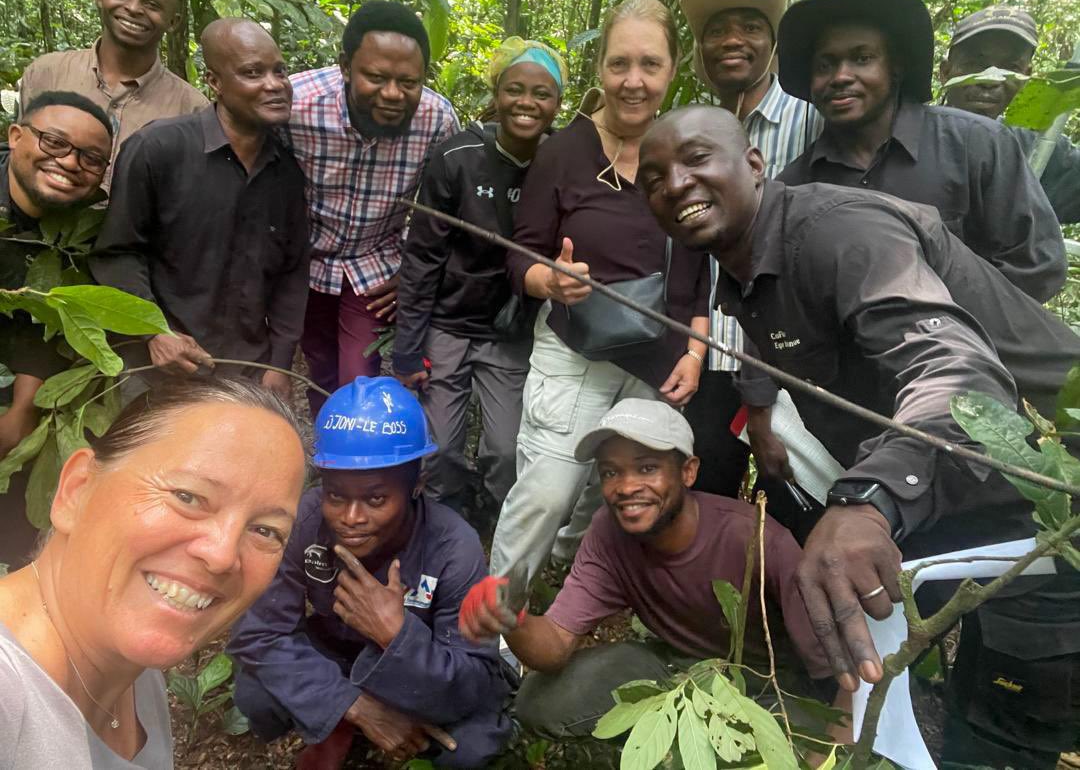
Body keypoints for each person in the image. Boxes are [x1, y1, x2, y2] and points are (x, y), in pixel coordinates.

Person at [638, 105, 1080, 768]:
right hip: (966, 500)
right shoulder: (746, 269)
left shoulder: (839, 232)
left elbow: (959, 377)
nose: (674, 184)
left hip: (1052, 491)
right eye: (653, 179)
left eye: (696, 159)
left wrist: (867, 501)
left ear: (754, 164)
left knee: (1007, 733)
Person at [488, 0, 711, 586]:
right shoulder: (564, 152)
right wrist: (550, 280)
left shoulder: (684, 150)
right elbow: (520, 254)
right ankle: (495, 619)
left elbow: (699, 266)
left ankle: (570, 572)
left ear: (673, 69)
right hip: (575, 349)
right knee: (547, 493)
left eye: (650, 64)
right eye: (619, 64)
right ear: (600, 68)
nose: (633, 81)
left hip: (657, 358)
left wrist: (695, 352)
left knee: (612, 489)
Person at [460, 398, 837, 741]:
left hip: (770, 684)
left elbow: (835, 668)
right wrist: (512, 619)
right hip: (680, 667)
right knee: (540, 700)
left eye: (647, 468)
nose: (626, 487)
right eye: (610, 472)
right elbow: (556, 642)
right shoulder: (608, 533)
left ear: (688, 472)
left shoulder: (756, 539)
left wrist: (834, 744)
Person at [0, 377, 307, 768]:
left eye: (265, 531)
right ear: (76, 490)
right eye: (188, 497)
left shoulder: (129, 670)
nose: (222, 555)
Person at [228, 377, 514, 769]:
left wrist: (396, 635)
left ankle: (359, 718)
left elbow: (473, 677)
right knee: (255, 695)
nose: (351, 518)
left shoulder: (453, 547)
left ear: (417, 486)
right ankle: (343, 723)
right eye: (335, 495)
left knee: (470, 748)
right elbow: (258, 633)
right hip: (338, 653)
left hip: (423, 664)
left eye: (376, 498)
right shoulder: (303, 522)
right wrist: (353, 705)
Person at [776, 0, 1064, 303]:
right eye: (825, 65)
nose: (841, 76)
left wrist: (940, 321)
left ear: (895, 68)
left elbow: (1036, 267)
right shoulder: (796, 186)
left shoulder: (976, 145)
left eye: (862, 59)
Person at [393, 38, 566, 527]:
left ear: (557, 103)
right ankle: (444, 520)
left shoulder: (560, 162)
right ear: (497, 93)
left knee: (506, 452)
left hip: (509, 330)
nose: (526, 103)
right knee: (440, 449)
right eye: (515, 89)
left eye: (542, 93)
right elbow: (423, 256)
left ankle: (494, 516)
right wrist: (408, 350)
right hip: (448, 322)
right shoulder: (457, 157)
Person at [90, 19, 310, 400]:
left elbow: (291, 273)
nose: (275, 84)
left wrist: (279, 363)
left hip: (245, 374)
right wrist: (153, 332)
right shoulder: (158, 149)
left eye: (280, 71)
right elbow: (117, 252)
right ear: (214, 82)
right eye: (253, 73)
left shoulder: (286, 172)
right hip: (157, 369)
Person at [678, 0, 823, 533]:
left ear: (773, 44)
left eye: (751, 27)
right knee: (704, 495)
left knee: (797, 501)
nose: (733, 40)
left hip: (792, 350)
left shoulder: (812, 119)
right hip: (714, 347)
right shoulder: (692, 129)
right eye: (717, 30)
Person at [286, 1, 459, 415]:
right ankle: (330, 449)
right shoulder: (297, 105)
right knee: (321, 370)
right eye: (377, 78)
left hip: (374, 264)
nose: (393, 94)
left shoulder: (437, 120)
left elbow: (443, 209)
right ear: (346, 67)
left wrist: (410, 270)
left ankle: (361, 444)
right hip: (303, 262)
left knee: (357, 380)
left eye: (409, 82)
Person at [0, 91, 113, 569]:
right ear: (16, 135)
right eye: (55, 142)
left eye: (91, 158)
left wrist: (22, 410)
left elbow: (49, 326)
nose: (69, 163)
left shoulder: (89, 229)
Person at [17, 0, 207, 186]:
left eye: (152, 4)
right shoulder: (47, 73)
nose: (134, 8)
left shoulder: (192, 110)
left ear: (173, 21)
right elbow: (19, 160)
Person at [940, 5, 1080, 225]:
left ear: (1026, 76)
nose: (991, 80)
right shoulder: (906, 135)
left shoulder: (1040, 148)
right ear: (945, 72)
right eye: (974, 65)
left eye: (1010, 68)